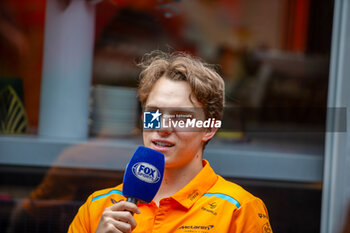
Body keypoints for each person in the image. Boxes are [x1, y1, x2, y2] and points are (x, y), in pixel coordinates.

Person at [68, 51, 272, 233]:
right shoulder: (97, 206)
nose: (163, 127)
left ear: (209, 128)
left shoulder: (238, 209)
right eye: (154, 113)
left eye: (181, 116)